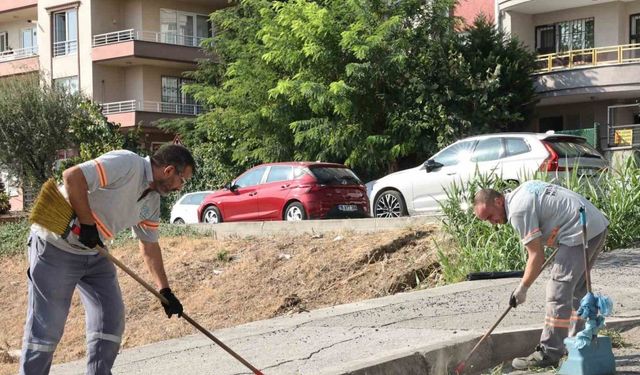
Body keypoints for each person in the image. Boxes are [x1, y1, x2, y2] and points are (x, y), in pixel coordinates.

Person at [21, 144, 195, 375]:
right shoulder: (127, 163)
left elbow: (149, 246)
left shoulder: (152, 202)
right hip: (55, 246)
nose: (180, 187)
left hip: (94, 251)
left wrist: (165, 291)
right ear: (170, 170)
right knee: (47, 327)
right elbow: (72, 176)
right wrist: (87, 223)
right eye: (183, 180)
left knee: (110, 319)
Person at [473, 180, 608, 370]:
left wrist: (523, 288)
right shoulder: (522, 192)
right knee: (577, 289)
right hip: (594, 225)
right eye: (486, 220)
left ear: (498, 201)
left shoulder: (518, 211)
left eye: (490, 216)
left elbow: (536, 255)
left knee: (557, 291)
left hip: (579, 231)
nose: (492, 222)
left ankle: (549, 352)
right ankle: (580, 344)